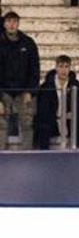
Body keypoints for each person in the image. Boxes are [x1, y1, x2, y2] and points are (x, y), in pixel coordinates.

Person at [0, 12, 39, 150]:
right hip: (3, 92)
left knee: (27, 124)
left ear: (18, 23)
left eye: (14, 21)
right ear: (4, 23)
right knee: (1, 125)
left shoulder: (28, 43)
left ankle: (28, 155)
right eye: (9, 21)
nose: (11, 24)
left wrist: (30, 91)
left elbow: (35, 70)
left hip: (24, 92)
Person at [33, 55, 79, 149]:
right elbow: (42, 109)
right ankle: (44, 154)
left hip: (70, 121)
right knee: (42, 125)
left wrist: (72, 114)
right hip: (52, 121)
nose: (64, 70)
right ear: (56, 68)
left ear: (70, 68)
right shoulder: (46, 86)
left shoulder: (77, 86)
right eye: (61, 66)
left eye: (66, 67)